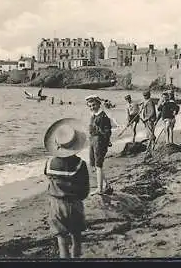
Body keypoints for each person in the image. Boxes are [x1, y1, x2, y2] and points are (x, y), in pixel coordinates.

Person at [43, 118, 90, 258]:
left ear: (57, 144)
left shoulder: (49, 163)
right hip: (73, 204)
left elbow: (48, 177)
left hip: (55, 205)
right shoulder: (80, 164)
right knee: (76, 238)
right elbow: (84, 190)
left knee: (61, 240)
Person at [85, 95, 113, 195]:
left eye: (94, 105)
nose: (92, 107)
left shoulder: (103, 116)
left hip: (100, 142)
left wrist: (103, 138)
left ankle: (100, 189)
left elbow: (108, 131)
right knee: (93, 165)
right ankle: (107, 185)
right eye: (90, 106)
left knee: (98, 165)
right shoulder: (93, 115)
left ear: (98, 104)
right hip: (93, 141)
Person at [140, 90, 157, 158]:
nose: (144, 96)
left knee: (150, 134)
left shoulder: (150, 102)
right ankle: (151, 147)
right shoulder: (147, 101)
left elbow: (152, 112)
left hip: (149, 120)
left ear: (148, 95)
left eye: (145, 95)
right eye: (144, 95)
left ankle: (150, 148)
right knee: (149, 133)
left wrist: (146, 118)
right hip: (147, 120)